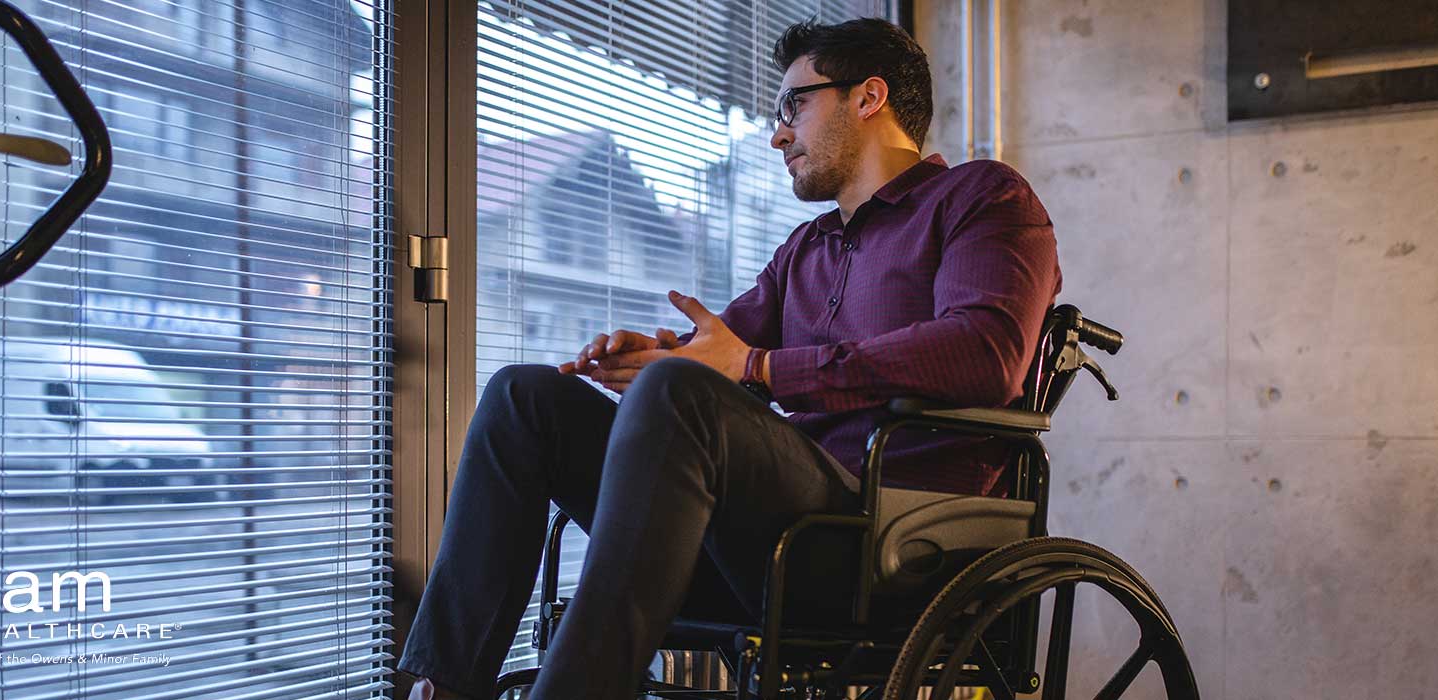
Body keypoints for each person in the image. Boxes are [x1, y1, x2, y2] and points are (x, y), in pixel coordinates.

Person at [398, 17, 1061, 700]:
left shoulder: (982, 196)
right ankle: (442, 689)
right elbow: (716, 360)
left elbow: (986, 352)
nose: (777, 133)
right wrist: (653, 359)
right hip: (761, 539)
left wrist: (760, 370)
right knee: (522, 396)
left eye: (794, 105)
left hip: (887, 541)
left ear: (869, 97)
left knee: (681, 392)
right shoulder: (803, 250)